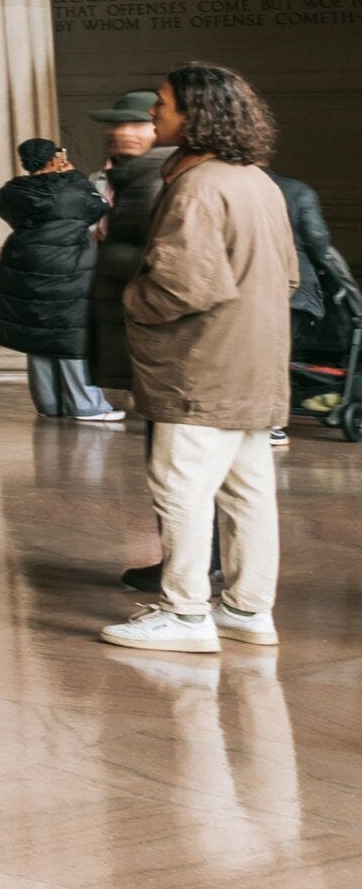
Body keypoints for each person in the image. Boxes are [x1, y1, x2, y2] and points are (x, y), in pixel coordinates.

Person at [101, 65, 296, 655]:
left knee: (181, 488)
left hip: (200, 365)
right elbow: (289, 274)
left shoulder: (197, 185)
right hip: (253, 360)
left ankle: (185, 614)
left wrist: (131, 301)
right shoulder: (257, 180)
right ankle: (247, 609)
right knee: (247, 493)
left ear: (197, 114)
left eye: (163, 104)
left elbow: (183, 285)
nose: (154, 114)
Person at [0, 139, 117, 422]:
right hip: (69, 265)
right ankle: (86, 404)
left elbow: (5, 212)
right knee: (72, 332)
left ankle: (49, 403)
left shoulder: (12, 191)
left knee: (39, 333)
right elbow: (98, 207)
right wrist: (71, 174)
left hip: (26, 261)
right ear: (54, 159)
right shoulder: (71, 190)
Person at [84, 89, 172, 407]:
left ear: (158, 129)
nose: (121, 133)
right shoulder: (129, 174)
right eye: (117, 125)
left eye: (135, 125)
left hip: (149, 318)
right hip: (129, 317)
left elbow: (162, 254)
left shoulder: (158, 175)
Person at [270, 167, 344, 450]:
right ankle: (272, 423)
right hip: (293, 287)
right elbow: (318, 242)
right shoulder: (297, 191)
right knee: (276, 354)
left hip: (248, 286)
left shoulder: (230, 186)